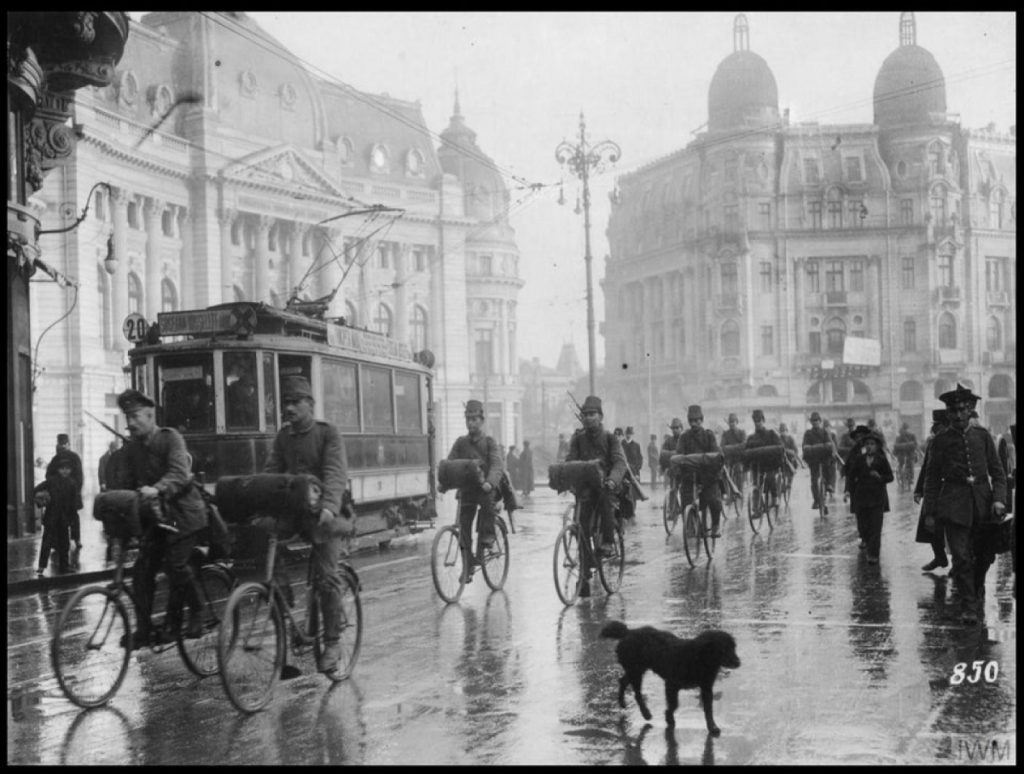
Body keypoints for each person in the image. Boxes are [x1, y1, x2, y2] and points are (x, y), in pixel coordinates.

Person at [264, 375, 355, 672]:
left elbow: (334, 473)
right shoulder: (283, 438)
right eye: (285, 403)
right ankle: (285, 606)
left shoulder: (328, 434)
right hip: (296, 515)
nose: (288, 409)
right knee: (264, 545)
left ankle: (332, 643)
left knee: (328, 578)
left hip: (327, 517)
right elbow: (272, 475)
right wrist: (261, 505)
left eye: (294, 403)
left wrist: (329, 507)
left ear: (310, 405)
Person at [116, 388, 208, 649]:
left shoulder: (170, 439)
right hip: (158, 518)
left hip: (184, 514)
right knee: (142, 571)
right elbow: (126, 484)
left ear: (150, 415)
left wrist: (157, 488)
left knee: (176, 565)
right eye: (128, 418)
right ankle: (144, 629)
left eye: (136, 417)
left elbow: (179, 474)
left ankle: (198, 610)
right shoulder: (132, 449)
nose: (131, 423)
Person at [923, 384, 1007, 626]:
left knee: (983, 556)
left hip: (983, 504)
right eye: (953, 411)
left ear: (970, 410)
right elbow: (931, 478)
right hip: (953, 505)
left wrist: (999, 499)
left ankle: (977, 587)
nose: (958, 415)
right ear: (947, 413)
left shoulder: (983, 437)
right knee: (960, 557)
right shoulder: (940, 441)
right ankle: (969, 605)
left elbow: (998, 473)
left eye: (962, 410)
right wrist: (930, 511)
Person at [566, 395, 627, 596]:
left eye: (592, 414)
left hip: (606, 488)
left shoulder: (610, 439)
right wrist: (567, 477)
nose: (589, 418)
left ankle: (608, 541)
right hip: (584, 491)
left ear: (601, 416)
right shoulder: (577, 439)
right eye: (585, 415)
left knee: (604, 502)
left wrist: (612, 479)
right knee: (581, 528)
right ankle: (584, 574)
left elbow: (619, 463)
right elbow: (570, 461)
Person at [843, 428, 894, 565]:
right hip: (862, 498)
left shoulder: (881, 460)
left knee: (876, 528)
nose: (869, 446)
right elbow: (851, 474)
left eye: (872, 444)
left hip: (877, 499)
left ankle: (873, 554)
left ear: (876, 446)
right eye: (867, 444)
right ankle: (865, 540)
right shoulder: (859, 459)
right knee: (863, 526)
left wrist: (880, 477)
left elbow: (890, 477)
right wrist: (848, 489)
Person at [675, 405, 724, 538]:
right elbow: (679, 455)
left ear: (702, 420)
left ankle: (715, 525)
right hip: (690, 476)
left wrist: (711, 471)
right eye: (691, 421)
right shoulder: (684, 437)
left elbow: (715, 455)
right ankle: (690, 523)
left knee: (714, 500)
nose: (694, 423)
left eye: (697, 420)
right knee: (685, 499)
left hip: (707, 475)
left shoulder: (709, 435)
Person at [915, 409, 950, 572]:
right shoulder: (933, 442)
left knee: (953, 529)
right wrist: (918, 490)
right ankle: (939, 557)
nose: (937, 430)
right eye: (935, 427)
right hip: (933, 490)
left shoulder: (953, 441)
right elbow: (926, 468)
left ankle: (957, 564)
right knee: (929, 525)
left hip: (950, 491)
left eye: (940, 426)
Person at [33, 452, 79, 575]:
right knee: (47, 542)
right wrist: (42, 498)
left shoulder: (72, 484)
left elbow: (74, 503)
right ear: (58, 469)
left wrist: (72, 518)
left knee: (64, 543)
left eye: (67, 469)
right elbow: (36, 490)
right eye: (62, 468)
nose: (65, 471)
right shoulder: (51, 481)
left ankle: (64, 566)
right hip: (52, 516)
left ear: (70, 470)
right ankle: (42, 567)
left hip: (62, 517)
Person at [46, 433, 84, 557]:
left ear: (68, 444)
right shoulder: (57, 458)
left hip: (70, 493)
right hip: (60, 494)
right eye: (60, 443)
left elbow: (79, 476)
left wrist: (74, 489)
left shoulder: (71, 458)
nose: (62, 446)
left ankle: (76, 539)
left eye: (64, 443)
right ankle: (62, 541)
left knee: (72, 516)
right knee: (62, 518)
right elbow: (49, 475)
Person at [744, 410, 784, 507]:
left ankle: (775, 499)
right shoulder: (751, 438)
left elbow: (780, 447)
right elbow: (746, 452)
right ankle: (756, 508)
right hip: (757, 466)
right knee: (756, 485)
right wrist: (746, 465)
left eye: (759, 421)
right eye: (755, 421)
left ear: (763, 421)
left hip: (770, 464)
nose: (758, 423)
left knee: (770, 478)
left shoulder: (771, 434)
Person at [802, 412, 836, 513]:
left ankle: (829, 485)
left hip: (824, 458)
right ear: (811, 422)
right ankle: (817, 500)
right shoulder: (808, 433)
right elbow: (805, 445)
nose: (815, 422)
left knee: (829, 469)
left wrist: (827, 448)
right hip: (814, 459)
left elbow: (829, 444)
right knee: (814, 481)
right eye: (813, 421)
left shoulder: (825, 432)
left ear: (820, 421)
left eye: (817, 420)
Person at [721, 413, 747, 494]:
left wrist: (729, 448)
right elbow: (722, 447)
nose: (732, 424)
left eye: (733, 422)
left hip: (739, 459)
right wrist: (736, 447)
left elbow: (744, 445)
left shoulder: (742, 433)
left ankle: (740, 491)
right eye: (730, 422)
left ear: (737, 422)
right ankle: (726, 493)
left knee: (739, 470)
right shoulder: (725, 434)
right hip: (729, 459)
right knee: (723, 472)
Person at [660, 418, 686, 491]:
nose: (674, 430)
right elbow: (662, 456)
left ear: (681, 428)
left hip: (686, 473)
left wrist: (672, 455)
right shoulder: (669, 441)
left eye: (677, 428)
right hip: (673, 473)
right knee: (673, 494)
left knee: (686, 496)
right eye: (673, 428)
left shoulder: (686, 439)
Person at [779, 423, 800, 491]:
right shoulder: (778, 439)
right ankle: (780, 482)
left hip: (790, 458)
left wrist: (788, 451)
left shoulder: (790, 438)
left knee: (793, 466)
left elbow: (796, 450)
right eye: (781, 431)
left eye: (784, 430)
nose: (783, 432)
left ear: (787, 431)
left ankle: (790, 482)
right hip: (781, 458)